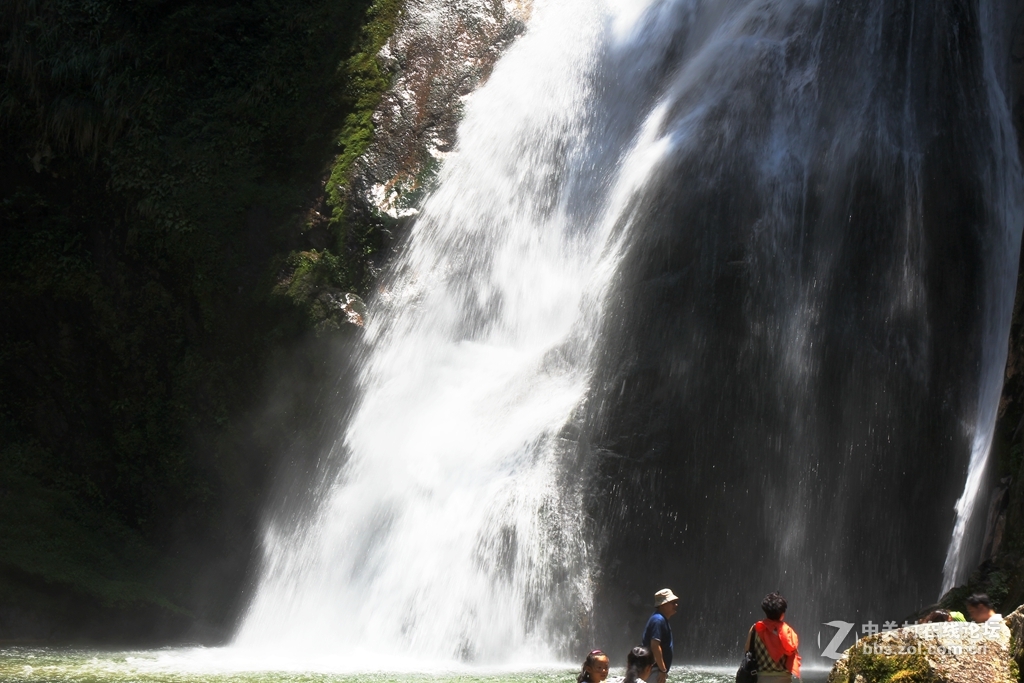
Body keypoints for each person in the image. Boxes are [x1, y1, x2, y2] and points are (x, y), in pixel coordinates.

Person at [743, 592, 801, 680]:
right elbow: (794, 651)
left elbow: (747, 650)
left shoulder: (756, 628)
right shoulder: (788, 631)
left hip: (759, 678)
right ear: (782, 614)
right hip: (783, 679)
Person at [642, 589, 678, 683]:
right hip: (654, 670)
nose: (676, 605)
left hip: (656, 669)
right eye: (672, 602)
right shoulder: (658, 620)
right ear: (663, 605)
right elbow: (655, 646)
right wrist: (662, 669)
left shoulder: (661, 619)